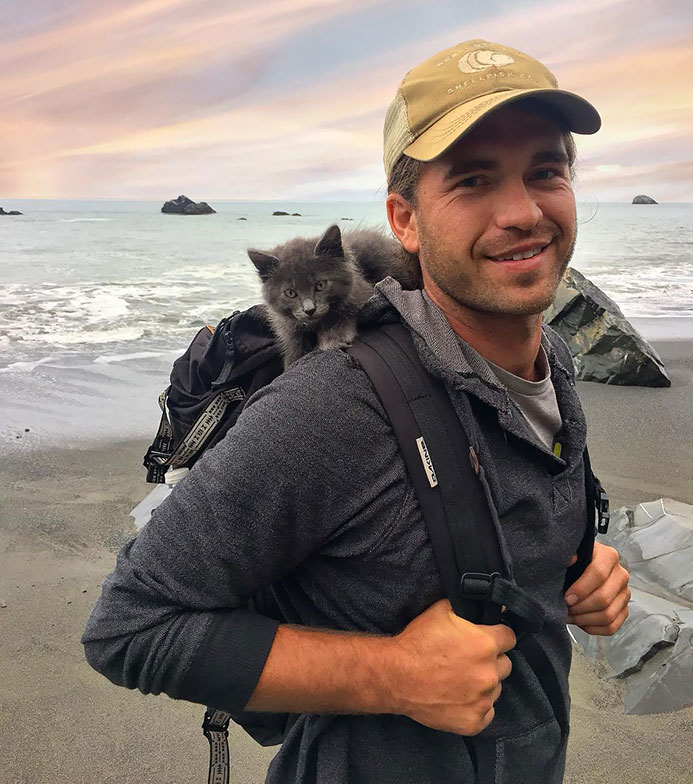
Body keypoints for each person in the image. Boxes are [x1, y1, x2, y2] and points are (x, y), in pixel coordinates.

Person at [82, 39, 631, 783]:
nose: (522, 211)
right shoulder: (332, 406)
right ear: (404, 221)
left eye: (545, 170)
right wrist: (394, 674)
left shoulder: (555, 364)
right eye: (472, 181)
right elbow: (128, 623)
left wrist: (575, 564)